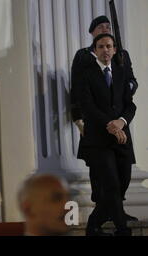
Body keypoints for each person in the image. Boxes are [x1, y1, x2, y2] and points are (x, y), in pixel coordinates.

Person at [70, 15, 138, 222]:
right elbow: (78, 90)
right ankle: (105, 210)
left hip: (118, 119)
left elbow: (131, 82)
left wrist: (126, 90)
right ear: (92, 33)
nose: (105, 28)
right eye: (100, 27)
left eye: (108, 26)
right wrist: (78, 118)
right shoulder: (84, 56)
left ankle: (116, 210)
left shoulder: (121, 54)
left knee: (122, 169)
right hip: (96, 122)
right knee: (100, 169)